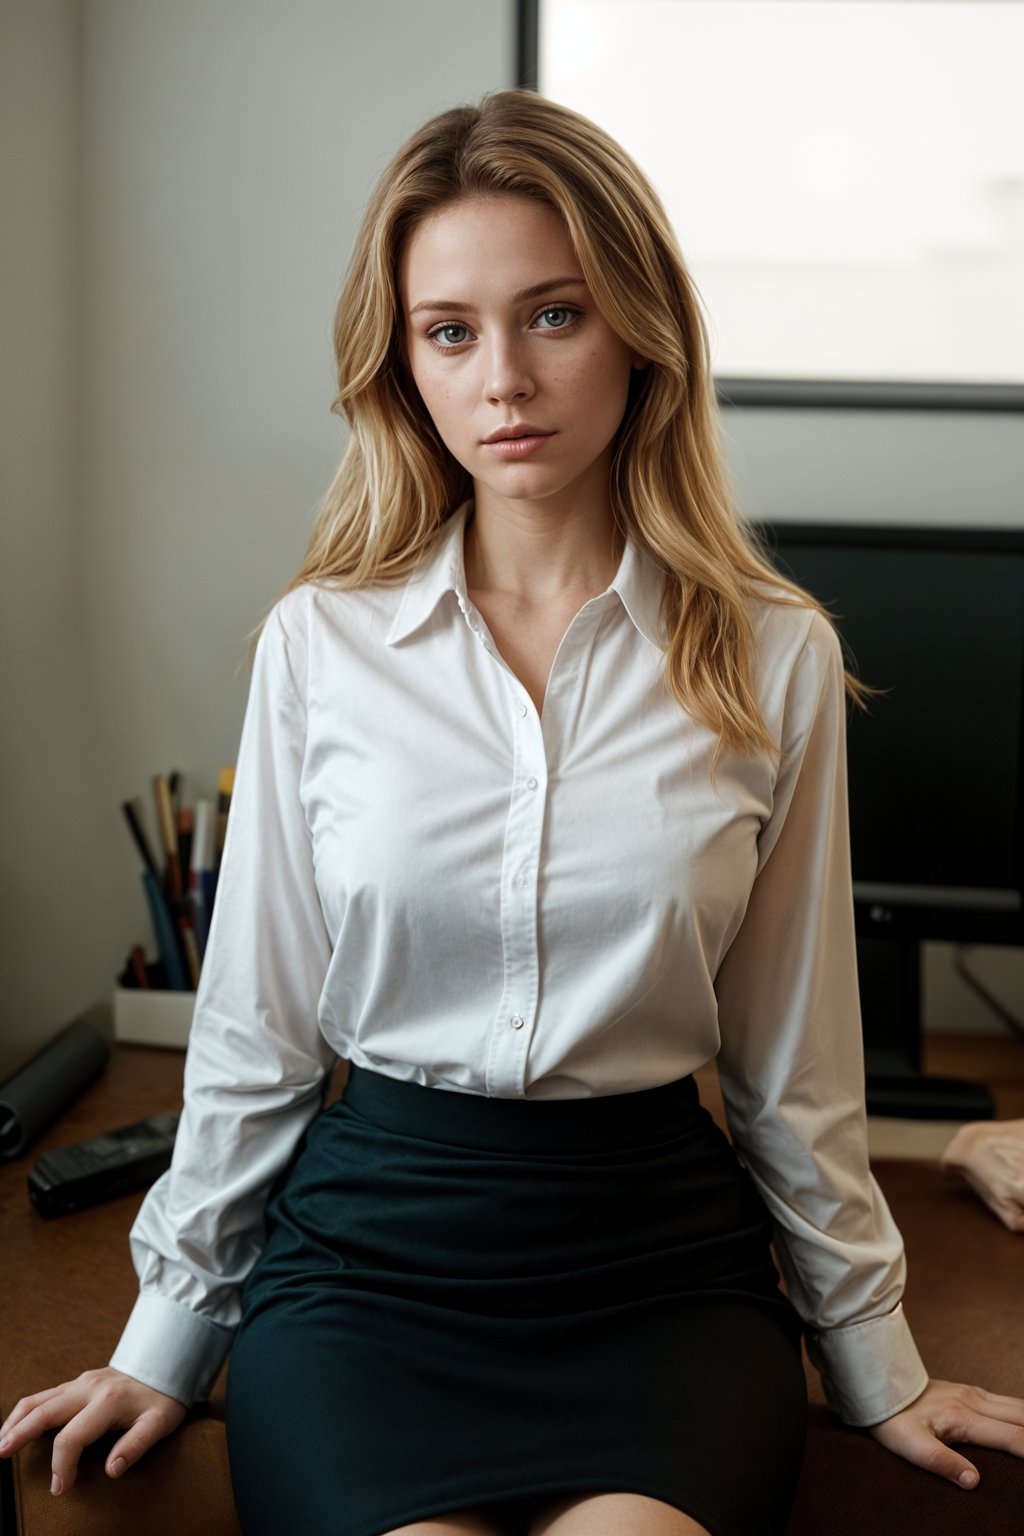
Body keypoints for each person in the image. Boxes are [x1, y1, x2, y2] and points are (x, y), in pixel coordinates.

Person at [2, 88, 1023, 1536]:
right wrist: (166, 1338)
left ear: (640, 330)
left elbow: (795, 1070)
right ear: (403, 359)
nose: (504, 381)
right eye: (451, 330)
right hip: (369, 1273)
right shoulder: (319, 645)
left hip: (661, 1276)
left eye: (553, 315)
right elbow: (256, 1035)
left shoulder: (773, 651)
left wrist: (875, 1362)